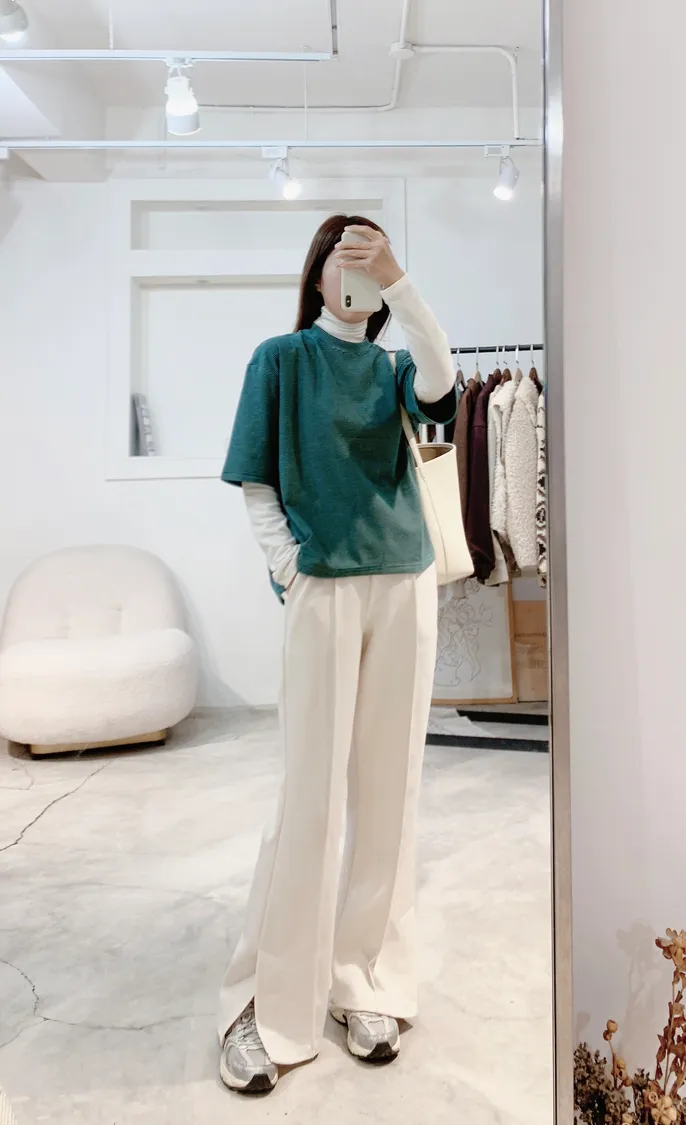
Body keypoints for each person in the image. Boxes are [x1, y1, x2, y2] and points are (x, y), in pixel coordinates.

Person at [218, 214, 456, 1094]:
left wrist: (401, 283)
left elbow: (444, 384)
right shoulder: (280, 360)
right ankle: (267, 1002)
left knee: (390, 794)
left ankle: (370, 981)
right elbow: (256, 482)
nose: (355, 270)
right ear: (316, 270)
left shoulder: (394, 367)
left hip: (404, 584)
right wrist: (292, 568)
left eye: (370, 258)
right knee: (309, 796)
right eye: (343, 255)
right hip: (323, 588)